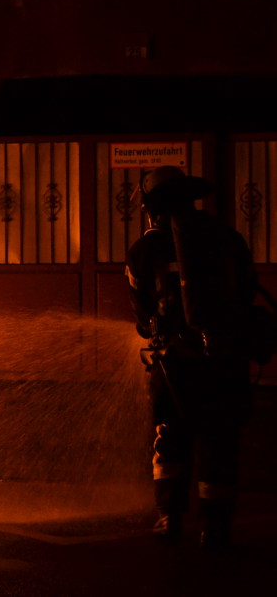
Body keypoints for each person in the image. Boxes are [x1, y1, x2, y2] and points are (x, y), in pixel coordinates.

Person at [125, 165, 258, 550]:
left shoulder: (144, 250)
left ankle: (169, 518)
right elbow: (248, 290)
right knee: (219, 439)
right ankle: (215, 528)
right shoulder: (228, 239)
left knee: (169, 436)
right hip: (223, 357)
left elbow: (142, 315)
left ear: (153, 207)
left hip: (173, 362)